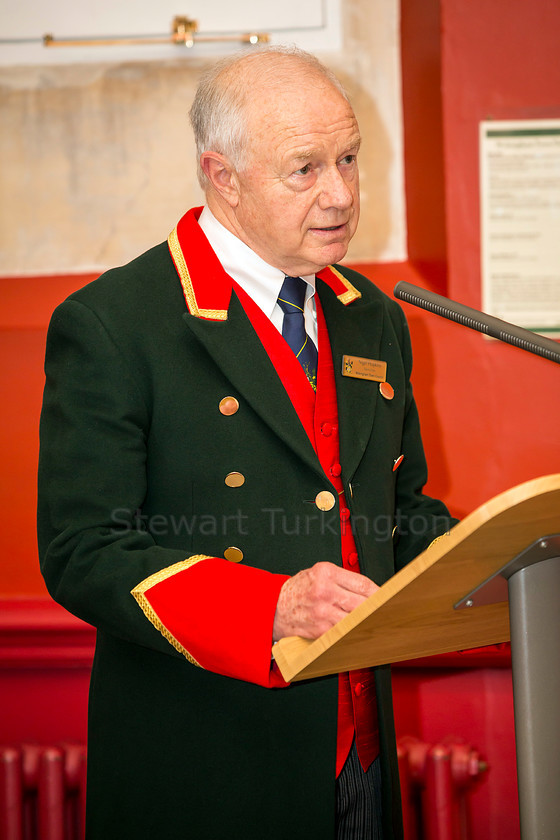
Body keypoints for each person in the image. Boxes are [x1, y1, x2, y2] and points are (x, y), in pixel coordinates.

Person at [38, 46, 454, 840]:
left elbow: (399, 512)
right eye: (305, 170)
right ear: (222, 176)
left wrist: (511, 564)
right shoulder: (115, 324)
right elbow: (82, 548)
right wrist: (270, 606)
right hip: (207, 761)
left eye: (349, 159)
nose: (340, 193)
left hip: (360, 754)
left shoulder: (371, 316)